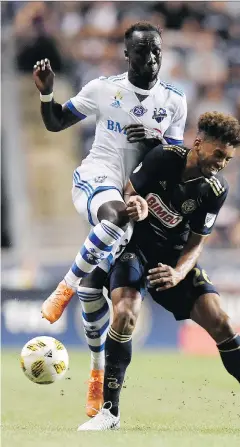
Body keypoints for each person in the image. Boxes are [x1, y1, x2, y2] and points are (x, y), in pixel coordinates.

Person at [77, 112, 240, 432]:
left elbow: (196, 243)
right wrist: (134, 204)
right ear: (200, 143)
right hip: (133, 248)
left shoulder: (216, 189)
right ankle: (109, 413)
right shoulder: (163, 158)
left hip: (174, 258)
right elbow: (127, 193)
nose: (221, 163)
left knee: (221, 322)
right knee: (125, 313)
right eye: (218, 154)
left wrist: (178, 274)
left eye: (228, 159)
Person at [33, 22, 187, 416]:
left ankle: (97, 375)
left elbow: (174, 161)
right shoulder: (103, 89)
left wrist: (153, 141)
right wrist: (48, 92)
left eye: (156, 51)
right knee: (114, 216)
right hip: (97, 179)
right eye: (142, 51)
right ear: (126, 53)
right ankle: (62, 289)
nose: (151, 58)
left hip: (137, 198)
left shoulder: (173, 101)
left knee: (93, 290)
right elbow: (54, 122)